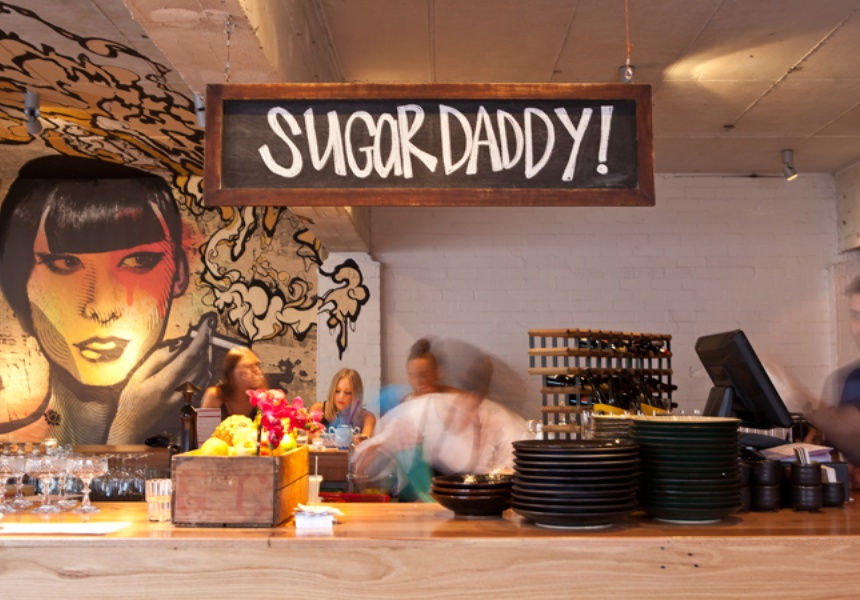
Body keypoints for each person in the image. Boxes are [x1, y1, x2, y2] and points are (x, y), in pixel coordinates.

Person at [0, 156, 213, 444]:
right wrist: (127, 429)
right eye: (64, 263)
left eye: (139, 261)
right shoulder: (11, 452)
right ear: (18, 283)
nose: (101, 309)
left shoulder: (212, 439)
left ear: (179, 273)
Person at [352, 348, 527, 501]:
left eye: (476, 399)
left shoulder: (503, 422)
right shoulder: (423, 410)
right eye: (463, 400)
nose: (467, 408)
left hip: (479, 511)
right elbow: (365, 459)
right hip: (421, 512)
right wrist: (383, 447)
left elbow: (517, 471)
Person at [201, 347, 266, 420]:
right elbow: (205, 426)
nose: (257, 370)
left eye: (257, 365)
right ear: (231, 372)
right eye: (248, 366)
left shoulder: (261, 395)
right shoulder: (215, 395)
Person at [310, 368, 375, 441]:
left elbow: (366, 437)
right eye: (337, 391)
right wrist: (315, 435)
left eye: (347, 392)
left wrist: (357, 439)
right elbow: (306, 435)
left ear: (356, 395)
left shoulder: (367, 417)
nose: (341, 396)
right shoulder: (319, 409)